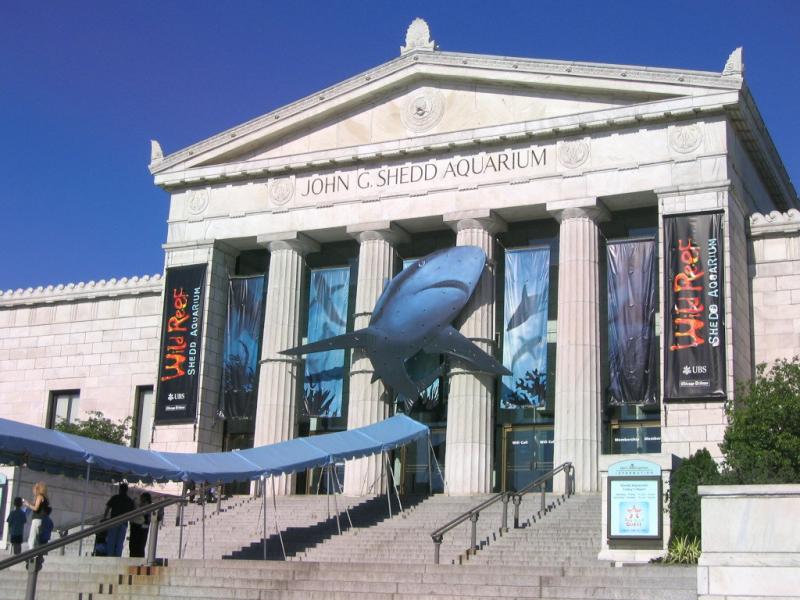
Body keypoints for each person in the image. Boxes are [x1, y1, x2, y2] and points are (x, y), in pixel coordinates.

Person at [103, 483, 135, 557]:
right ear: (127, 490)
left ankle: (110, 556)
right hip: (123, 523)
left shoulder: (115, 497)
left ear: (120, 489)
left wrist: (104, 518)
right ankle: (118, 556)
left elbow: (107, 508)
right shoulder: (129, 500)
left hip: (114, 521)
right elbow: (132, 513)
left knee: (111, 541)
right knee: (120, 542)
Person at [23, 481, 49, 551]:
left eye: (34, 489)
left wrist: (27, 504)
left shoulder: (40, 496)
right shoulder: (45, 497)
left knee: (32, 539)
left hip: (37, 519)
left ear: (37, 489)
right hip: (41, 520)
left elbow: (36, 508)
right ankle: (36, 556)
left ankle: (31, 556)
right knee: (36, 539)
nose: (33, 491)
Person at [128, 493, 151, 558]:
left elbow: (144, 514)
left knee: (138, 545)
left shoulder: (146, 505)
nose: (141, 499)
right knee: (137, 546)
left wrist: (135, 503)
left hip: (139, 526)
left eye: (142, 497)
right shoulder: (144, 505)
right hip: (139, 526)